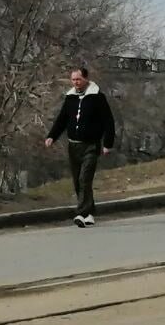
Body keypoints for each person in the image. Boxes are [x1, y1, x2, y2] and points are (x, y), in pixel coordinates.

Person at [44, 67, 117, 228]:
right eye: (73, 80)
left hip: (91, 145)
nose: (76, 83)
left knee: (85, 178)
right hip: (73, 145)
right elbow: (62, 119)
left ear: (85, 79)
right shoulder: (70, 98)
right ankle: (89, 213)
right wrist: (52, 136)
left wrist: (108, 144)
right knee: (78, 181)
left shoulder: (97, 97)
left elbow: (108, 121)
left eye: (78, 79)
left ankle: (80, 213)